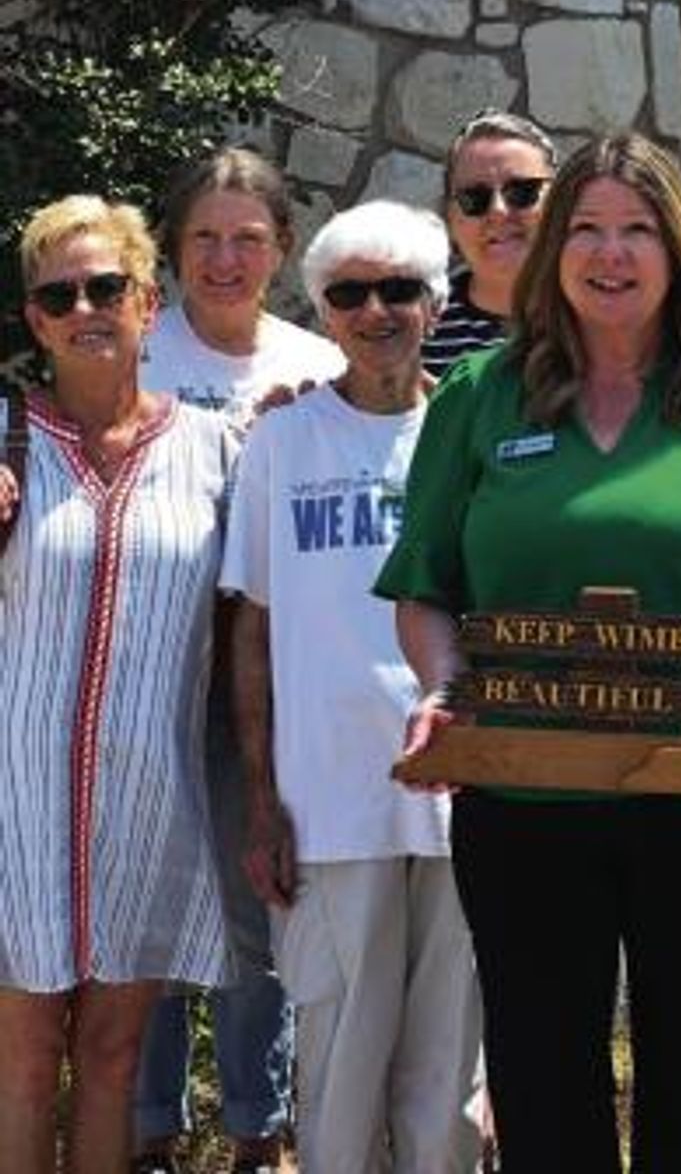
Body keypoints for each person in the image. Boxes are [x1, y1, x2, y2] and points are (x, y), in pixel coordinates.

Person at [376, 132, 681, 1174]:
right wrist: (443, 686)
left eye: (637, 229)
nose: (610, 253)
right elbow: (424, 586)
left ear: (678, 250)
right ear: (553, 252)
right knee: (543, 1088)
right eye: (585, 228)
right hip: (523, 792)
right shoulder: (478, 399)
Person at [221, 199, 483, 1174]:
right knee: (337, 1074)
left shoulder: (474, 435)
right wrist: (259, 801)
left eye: (399, 289)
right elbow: (253, 624)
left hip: (463, 794)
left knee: (448, 1075)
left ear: (435, 301)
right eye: (350, 293)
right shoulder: (282, 443)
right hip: (327, 803)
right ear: (324, 309)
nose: (376, 311)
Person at [0, 196, 235, 1174]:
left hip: (147, 797)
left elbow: (269, 617)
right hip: (17, 805)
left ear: (148, 299)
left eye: (106, 286)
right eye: (60, 294)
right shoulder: (3, 440)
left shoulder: (218, 451)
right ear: (35, 319)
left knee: (111, 1054)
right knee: (19, 1059)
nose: (84, 307)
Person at [133, 147, 343, 1174]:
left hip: (272, 684)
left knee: (261, 915)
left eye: (246, 239)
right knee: (150, 910)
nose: (224, 259)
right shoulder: (134, 353)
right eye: (204, 238)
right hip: (150, 679)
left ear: (283, 250)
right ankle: (149, 1133)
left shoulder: (316, 363)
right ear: (172, 251)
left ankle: (261, 1134)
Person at [421, 110, 556, 376]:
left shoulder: (600, 317)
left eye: (522, 192)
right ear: (449, 218)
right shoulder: (414, 332)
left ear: (559, 201)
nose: (498, 211)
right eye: (474, 198)